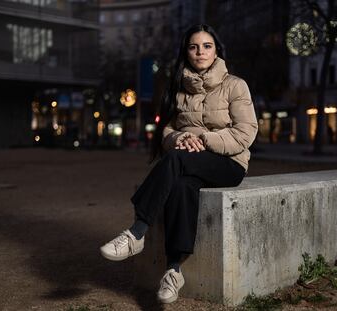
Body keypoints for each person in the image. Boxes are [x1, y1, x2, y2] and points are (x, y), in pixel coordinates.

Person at [100, 24, 258, 304]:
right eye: (193, 46)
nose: (200, 52)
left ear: (216, 50)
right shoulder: (178, 87)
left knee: (176, 160)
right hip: (188, 161)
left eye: (207, 46)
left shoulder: (235, 85)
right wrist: (180, 138)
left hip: (229, 163)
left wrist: (203, 140)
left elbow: (245, 133)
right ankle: (174, 271)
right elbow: (166, 133)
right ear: (186, 51)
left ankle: (137, 232)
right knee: (182, 187)